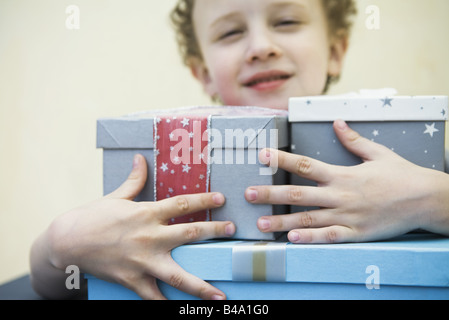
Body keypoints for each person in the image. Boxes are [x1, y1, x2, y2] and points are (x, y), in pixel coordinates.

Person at [29, 0, 449, 301]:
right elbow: (56, 286)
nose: (260, 47)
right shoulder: (168, 161)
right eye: (231, 32)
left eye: (285, 20)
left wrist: (432, 199)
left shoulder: (410, 159)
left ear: (336, 51)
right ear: (203, 73)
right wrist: (58, 246)